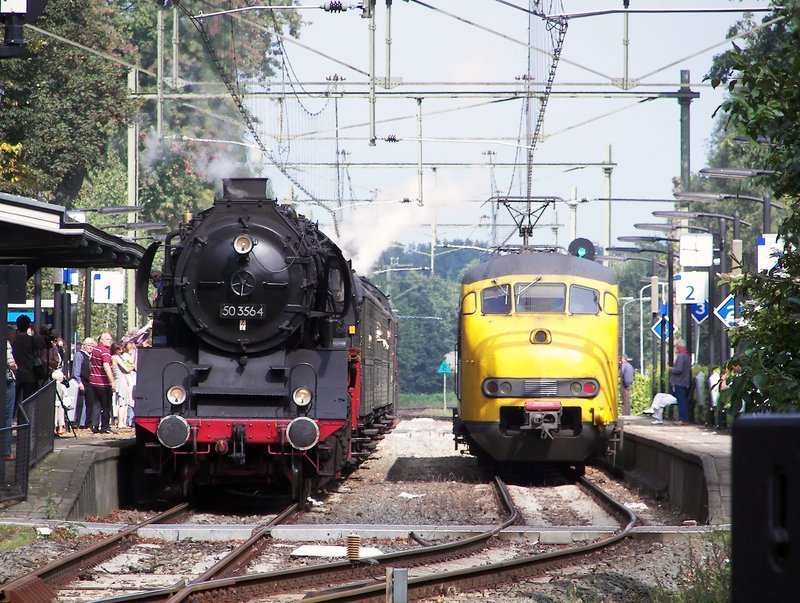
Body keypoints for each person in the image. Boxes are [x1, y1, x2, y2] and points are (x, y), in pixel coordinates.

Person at [11, 315, 44, 405]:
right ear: (28, 326)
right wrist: (35, 331)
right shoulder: (31, 340)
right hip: (30, 375)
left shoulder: (14, 340)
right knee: (28, 403)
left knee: (13, 402)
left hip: (16, 375)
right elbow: (42, 345)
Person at [88, 332, 116, 434]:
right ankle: (105, 427)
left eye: (110, 339)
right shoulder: (105, 352)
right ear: (101, 340)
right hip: (103, 383)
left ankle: (94, 425)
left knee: (96, 405)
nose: (110, 341)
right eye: (108, 339)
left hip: (93, 382)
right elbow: (106, 366)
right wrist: (112, 382)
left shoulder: (95, 350)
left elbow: (90, 363)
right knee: (106, 406)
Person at [111, 343, 134, 429]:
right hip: (121, 380)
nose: (122, 351)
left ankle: (123, 422)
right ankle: (120, 423)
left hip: (122, 379)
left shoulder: (116, 357)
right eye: (120, 349)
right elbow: (126, 368)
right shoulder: (115, 357)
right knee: (122, 402)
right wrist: (132, 366)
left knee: (125, 402)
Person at [669, 338, 691, 425]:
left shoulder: (681, 356)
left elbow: (678, 369)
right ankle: (683, 419)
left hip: (679, 381)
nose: (675, 349)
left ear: (678, 346)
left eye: (676, 347)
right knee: (682, 399)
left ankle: (683, 419)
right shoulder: (687, 355)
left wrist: (671, 369)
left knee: (681, 400)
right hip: (684, 381)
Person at [3, 340, 17, 460]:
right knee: (7, 417)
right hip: (6, 381)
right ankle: (5, 451)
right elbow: (10, 363)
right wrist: (15, 367)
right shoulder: (4, 342)